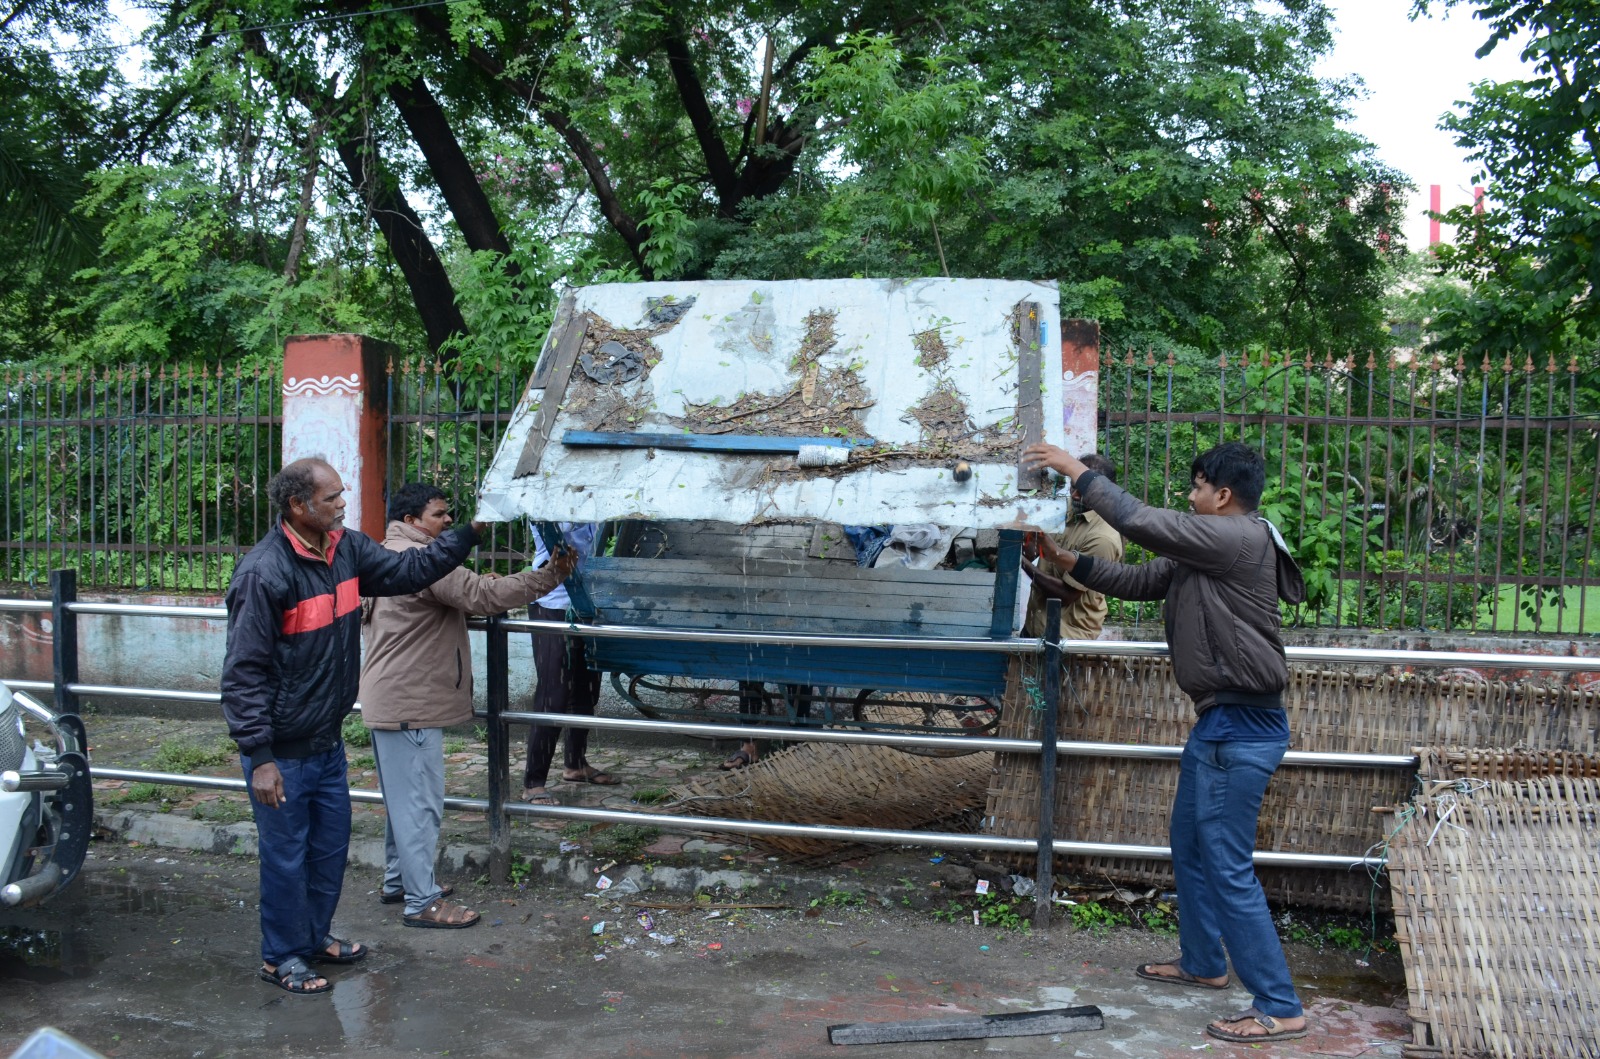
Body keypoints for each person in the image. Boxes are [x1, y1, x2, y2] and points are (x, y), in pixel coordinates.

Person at [1021, 440, 1310, 1045]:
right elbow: (1141, 579)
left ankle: (1280, 1005)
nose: (1190, 495)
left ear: (1223, 496)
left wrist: (1078, 472)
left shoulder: (1237, 538)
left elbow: (1141, 522)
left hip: (1243, 725)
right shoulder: (1206, 553)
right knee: (1190, 844)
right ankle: (1204, 963)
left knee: (1227, 865)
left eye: (1198, 486)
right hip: (1217, 722)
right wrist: (1068, 562)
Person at [221, 457, 484, 996]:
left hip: (326, 741)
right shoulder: (264, 573)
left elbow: (409, 571)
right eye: (332, 498)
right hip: (283, 752)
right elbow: (243, 673)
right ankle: (282, 957)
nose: (343, 504)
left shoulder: (346, 549)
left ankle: (313, 938)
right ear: (298, 506)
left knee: (326, 852)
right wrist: (260, 756)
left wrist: (470, 533)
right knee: (286, 858)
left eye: (342, 495)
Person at [358, 484, 578, 929]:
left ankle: (400, 882)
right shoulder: (419, 561)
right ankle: (421, 902)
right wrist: (551, 575)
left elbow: (455, 601)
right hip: (410, 701)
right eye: (440, 515)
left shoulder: (388, 553)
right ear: (413, 520)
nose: (447, 523)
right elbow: (482, 596)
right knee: (420, 805)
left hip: (395, 697)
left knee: (404, 802)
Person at [522, 523, 618, 804]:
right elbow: (561, 528)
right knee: (554, 693)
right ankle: (533, 782)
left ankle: (575, 765)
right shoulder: (549, 496)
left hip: (585, 602)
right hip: (551, 603)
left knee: (587, 689)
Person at [1019, 453, 1124, 641]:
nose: (1074, 495)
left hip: (1067, 640)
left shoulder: (1103, 538)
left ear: (1106, 492)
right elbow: (1035, 548)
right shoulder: (1068, 509)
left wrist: (1021, 562)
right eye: (1073, 486)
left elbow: (1065, 595)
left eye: (1083, 491)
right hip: (1034, 628)